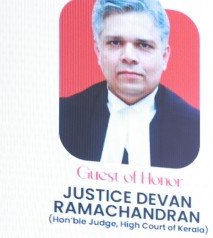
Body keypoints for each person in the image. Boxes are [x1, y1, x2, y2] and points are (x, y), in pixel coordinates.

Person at [59, 0, 199, 169]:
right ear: (98, 51)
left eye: (144, 45)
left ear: (164, 56)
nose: (129, 56)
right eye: (115, 42)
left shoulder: (197, 129)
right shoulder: (63, 115)